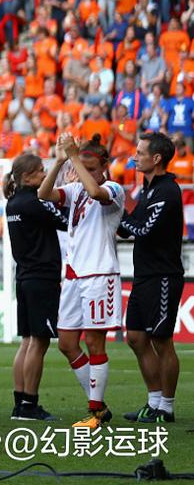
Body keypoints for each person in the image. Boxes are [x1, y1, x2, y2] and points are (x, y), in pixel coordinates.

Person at [39, 133, 124, 430]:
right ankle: (98, 403)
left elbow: (96, 192)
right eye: (81, 165)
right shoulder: (76, 189)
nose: (82, 171)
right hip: (74, 275)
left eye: (90, 167)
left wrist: (74, 158)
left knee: (94, 341)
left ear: (104, 167)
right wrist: (59, 161)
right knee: (66, 342)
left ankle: (95, 411)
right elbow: (44, 194)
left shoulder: (114, 189)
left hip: (99, 273)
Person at [117, 131, 184, 424]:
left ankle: (166, 408)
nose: (135, 157)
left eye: (140, 153)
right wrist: (114, 214)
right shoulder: (148, 189)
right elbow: (128, 227)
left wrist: (116, 211)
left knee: (161, 340)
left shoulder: (168, 191)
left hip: (163, 276)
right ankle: (153, 402)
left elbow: (143, 229)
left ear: (156, 158)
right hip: (143, 275)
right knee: (135, 337)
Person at [5, 152, 67, 422]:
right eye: (41, 170)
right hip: (42, 278)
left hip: (24, 277)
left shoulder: (13, 203)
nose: (44, 174)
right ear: (27, 177)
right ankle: (30, 404)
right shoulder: (34, 203)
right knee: (39, 342)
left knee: (27, 341)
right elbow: (66, 220)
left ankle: (20, 403)